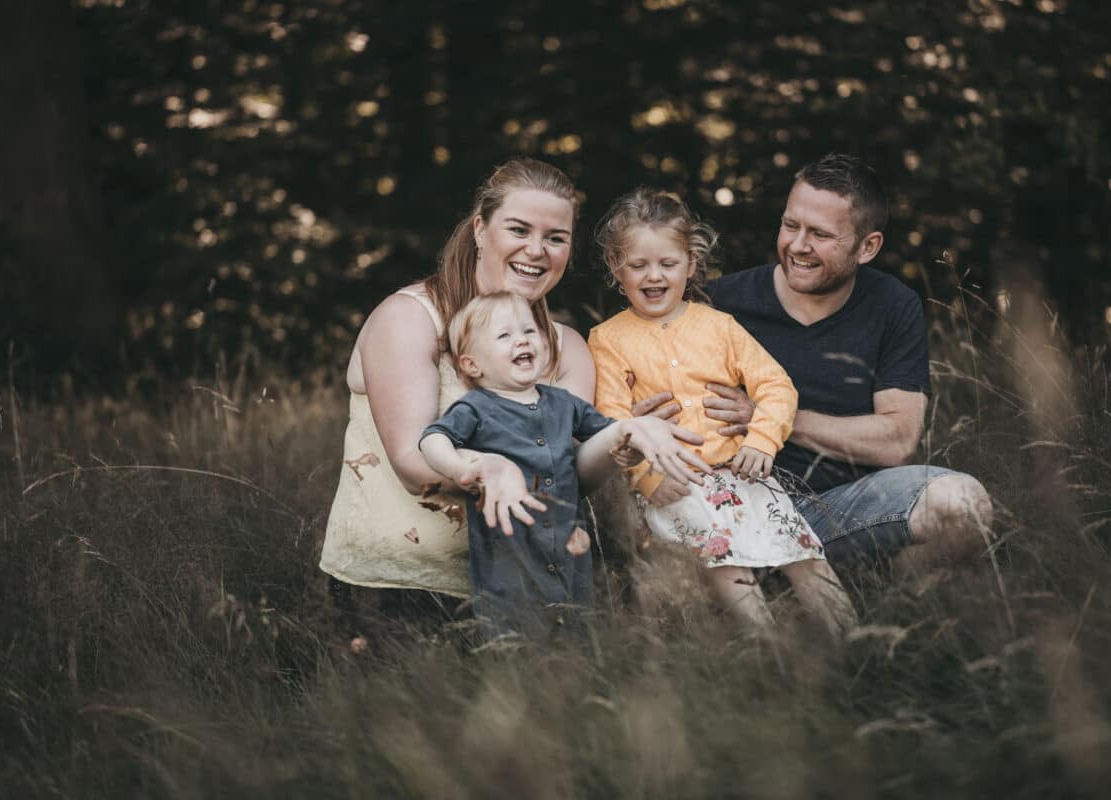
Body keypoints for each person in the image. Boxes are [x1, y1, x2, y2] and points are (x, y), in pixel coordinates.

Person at [321, 158, 704, 617]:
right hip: (399, 585)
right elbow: (413, 465)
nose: (536, 250)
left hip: (530, 589)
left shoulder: (567, 349)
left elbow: (569, 475)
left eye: (555, 238)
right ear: (481, 230)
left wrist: (622, 438)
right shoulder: (412, 318)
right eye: (519, 230)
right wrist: (486, 468)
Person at [643, 154, 992, 577]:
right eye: (791, 225)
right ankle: (776, 597)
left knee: (964, 503)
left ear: (868, 247)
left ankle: (888, 608)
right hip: (736, 507)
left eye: (821, 234)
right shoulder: (718, 303)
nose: (798, 245)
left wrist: (770, 417)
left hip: (843, 506)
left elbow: (896, 440)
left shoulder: (893, 306)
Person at [587, 188, 855, 635]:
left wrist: (762, 440)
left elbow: (775, 385)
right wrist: (648, 478)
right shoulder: (608, 339)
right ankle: (772, 656)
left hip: (746, 475)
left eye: (668, 264)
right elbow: (614, 421)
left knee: (805, 556)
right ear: (617, 268)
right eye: (638, 265)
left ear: (690, 265)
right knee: (730, 569)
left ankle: (853, 643)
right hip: (678, 482)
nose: (654, 276)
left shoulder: (719, 326)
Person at [419, 291, 699, 638]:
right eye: (504, 336)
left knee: (576, 636)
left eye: (529, 331)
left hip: (569, 552)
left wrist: (637, 438)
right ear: (472, 364)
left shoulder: (563, 403)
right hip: (509, 561)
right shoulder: (475, 408)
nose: (521, 339)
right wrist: (465, 468)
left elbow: (611, 433)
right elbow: (432, 439)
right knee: (517, 641)